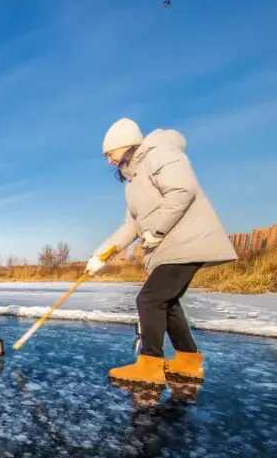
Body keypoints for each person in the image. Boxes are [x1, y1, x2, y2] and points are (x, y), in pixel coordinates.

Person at [86, 118, 237, 386]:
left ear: (125, 145)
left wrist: (156, 230)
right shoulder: (133, 185)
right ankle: (188, 360)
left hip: (187, 242)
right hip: (172, 247)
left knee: (149, 299)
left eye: (110, 153)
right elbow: (130, 226)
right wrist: (101, 256)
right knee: (166, 302)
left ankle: (150, 364)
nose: (109, 160)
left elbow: (182, 190)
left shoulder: (159, 153)